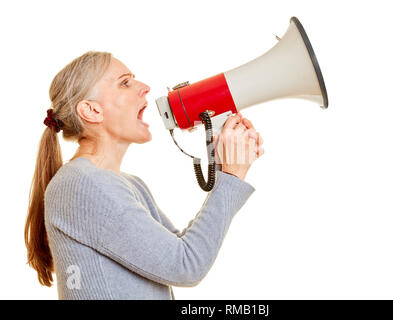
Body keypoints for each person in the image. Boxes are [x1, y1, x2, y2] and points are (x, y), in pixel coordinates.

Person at [24, 51, 264, 299]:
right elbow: (186, 265)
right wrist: (230, 177)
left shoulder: (127, 185)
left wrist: (226, 166)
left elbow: (178, 251)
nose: (145, 87)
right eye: (125, 82)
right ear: (91, 111)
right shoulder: (84, 184)